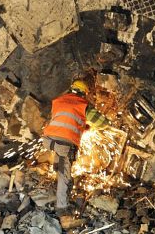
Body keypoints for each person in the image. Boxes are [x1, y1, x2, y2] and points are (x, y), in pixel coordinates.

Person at [42, 79, 109, 214]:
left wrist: (83, 126)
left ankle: (56, 193)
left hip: (49, 139)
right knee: (64, 175)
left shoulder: (59, 100)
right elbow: (103, 123)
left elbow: (66, 120)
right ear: (83, 93)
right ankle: (62, 208)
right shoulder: (82, 104)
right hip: (64, 144)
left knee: (59, 168)